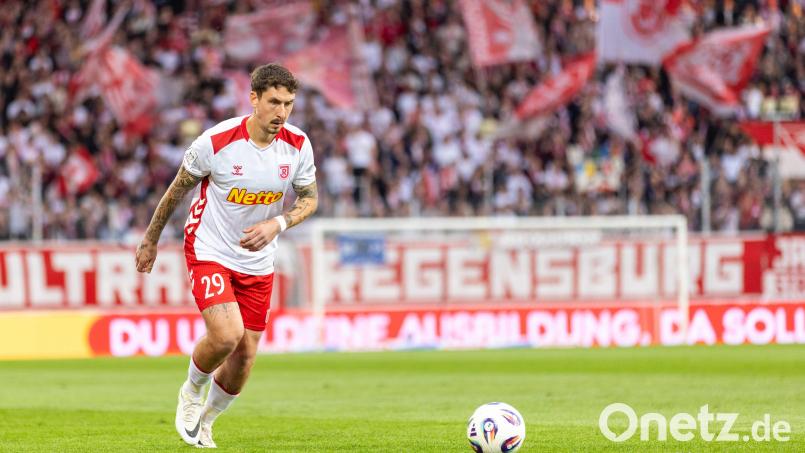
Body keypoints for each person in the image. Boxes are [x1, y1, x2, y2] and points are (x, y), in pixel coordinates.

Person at [134, 63, 318, 448]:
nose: (281, 113)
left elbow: (310, 198)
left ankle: (207, 420)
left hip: (258, 259)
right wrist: (150, 240)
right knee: (227, 335)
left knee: (246, 356)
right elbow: (175, 192)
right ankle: (190, 391)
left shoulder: (297, 145)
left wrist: (278, 224)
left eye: (288, 104)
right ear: (254, 99)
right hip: (210, 248)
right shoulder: (215, 143)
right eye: (274, 102)